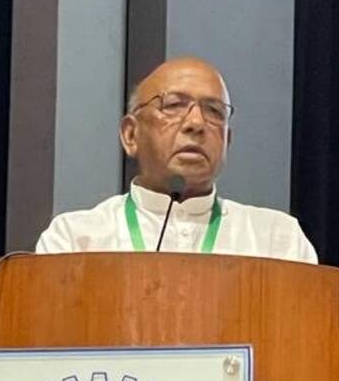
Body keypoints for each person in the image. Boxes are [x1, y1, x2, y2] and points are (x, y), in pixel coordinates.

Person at [36, 57, 317, 263]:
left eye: (214, 111)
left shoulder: (277, 241)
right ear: (131, 134)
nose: (196, 123)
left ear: (227, 141)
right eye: (173, 105)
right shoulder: (75, 240)